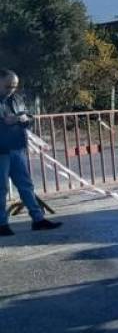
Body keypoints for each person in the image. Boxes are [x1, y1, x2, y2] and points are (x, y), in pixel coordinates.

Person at [0, 70, 61, 236]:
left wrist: (26, 119)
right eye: (8, 86)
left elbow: (28, 115)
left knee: (26, 185)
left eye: (14, 86)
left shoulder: (17, 99)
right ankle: (2, 224)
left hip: (17, 147)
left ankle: (38, 219)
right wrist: (6, 121)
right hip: (1, 151)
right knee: (1, 188)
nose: (11, 89)